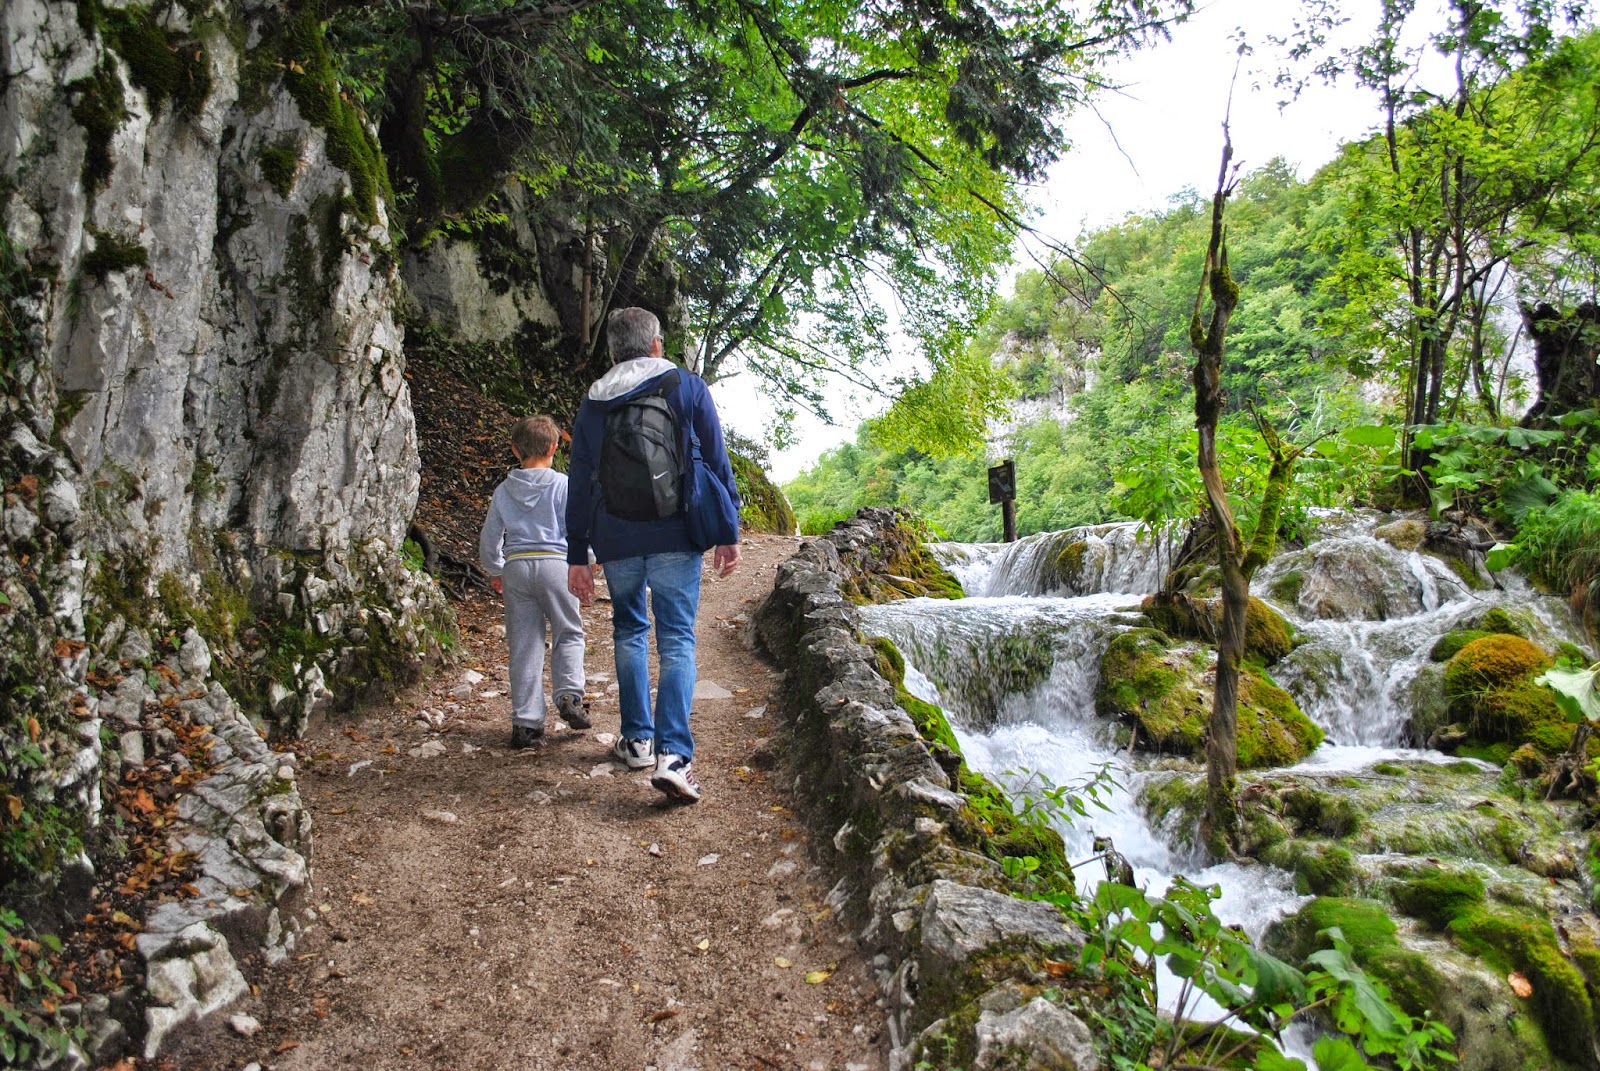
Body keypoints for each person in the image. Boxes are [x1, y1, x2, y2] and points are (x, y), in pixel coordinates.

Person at [566, 307, 740, 803]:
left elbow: (580, 482)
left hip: (616, 539)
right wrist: (729, 530)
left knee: (629, 630)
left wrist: (577, 552)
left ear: (613, 351)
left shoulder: (594, 401)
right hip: (675, 533)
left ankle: (638, 740)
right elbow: (717, 461)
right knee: (678, 637)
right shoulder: (686, 387)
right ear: (657, 345)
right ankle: (674, 757)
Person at [479, 414, 590, 749]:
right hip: (556, 564)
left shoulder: (503, 491)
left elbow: (490, 539)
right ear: (554, 447)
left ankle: (526, 722)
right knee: (569, 630)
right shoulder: (563, 484)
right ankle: (570, 694)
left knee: (525, 643)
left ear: (515, 450)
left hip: (516, 568)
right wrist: (588, 562)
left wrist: (496, 569)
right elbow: (578, 528)